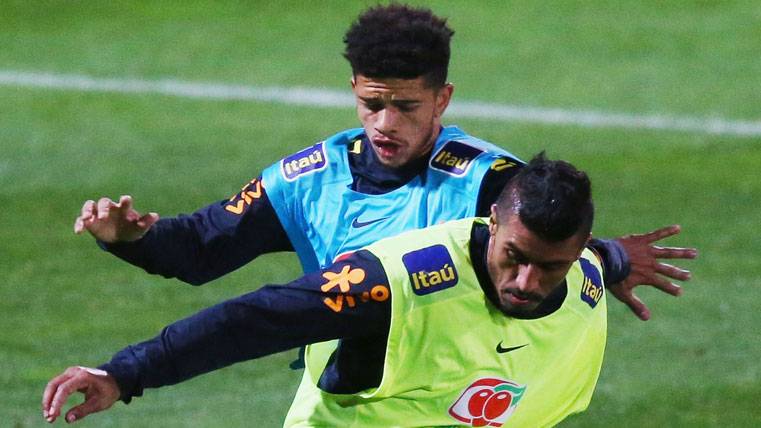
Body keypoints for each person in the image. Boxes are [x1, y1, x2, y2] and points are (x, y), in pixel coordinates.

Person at [45, 154, 613, 426]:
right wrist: (124, 373)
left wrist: (618, 259)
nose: (526, 282)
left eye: (551, 267)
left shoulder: (586, 271)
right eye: (515, 257)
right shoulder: (395, 281)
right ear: (492, 221)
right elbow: (255, 320)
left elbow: (599, 260)